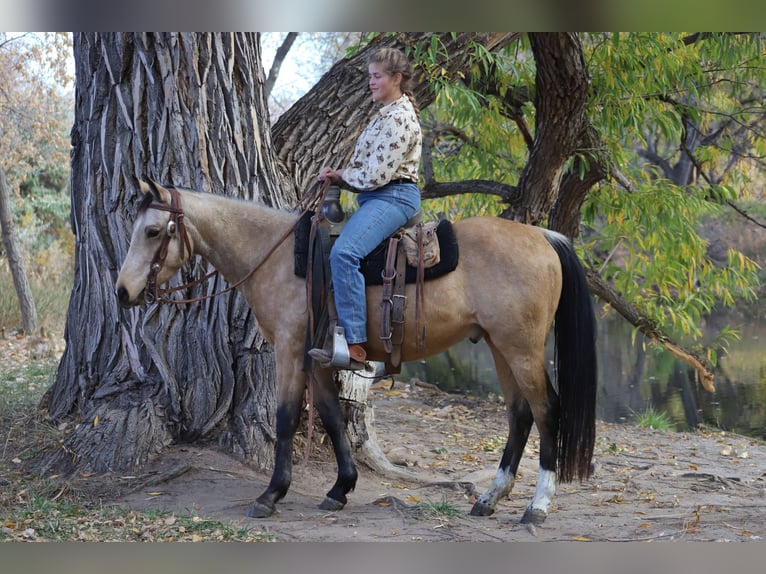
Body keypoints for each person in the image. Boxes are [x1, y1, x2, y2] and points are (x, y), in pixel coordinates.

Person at [310, 47, 422, 368]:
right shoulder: (384, 114)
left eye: (377, 76)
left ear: (396, 78)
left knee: (344, 254)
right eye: (370, 76)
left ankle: (356, 347)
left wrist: (340, 175)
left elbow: (375, 175)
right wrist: (339, 177)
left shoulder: (399, 118)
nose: (371, 83)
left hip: (393, 196)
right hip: (378, 196)